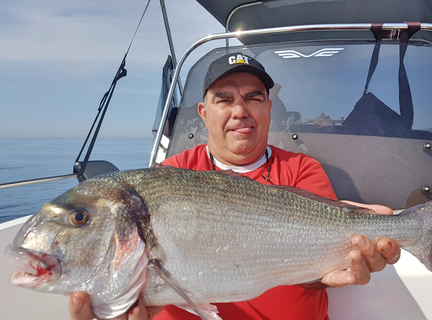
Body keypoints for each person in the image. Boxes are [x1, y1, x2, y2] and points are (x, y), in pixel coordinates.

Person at [69, 53, 401, 320]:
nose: (240, 111)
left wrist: (348, 259)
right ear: (203, 112)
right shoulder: (170, 175)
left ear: (269, 109)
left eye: (253, 98)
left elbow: (322, 259)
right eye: (224, 99)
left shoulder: (301, 169)